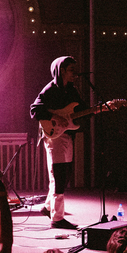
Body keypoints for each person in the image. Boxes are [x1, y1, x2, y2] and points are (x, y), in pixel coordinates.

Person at [30, 56, 85, 229]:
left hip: (67, 135)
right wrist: (54, 117)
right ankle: (57, 218)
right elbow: (34, 109)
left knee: (64, 174)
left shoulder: (72, 90)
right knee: (59, 175)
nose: (74, 73)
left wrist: (100, 109)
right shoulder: (50, 89)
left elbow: (81, 110)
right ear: (61, 71)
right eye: (71, 70)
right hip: (54, 136)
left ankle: (47, 208)